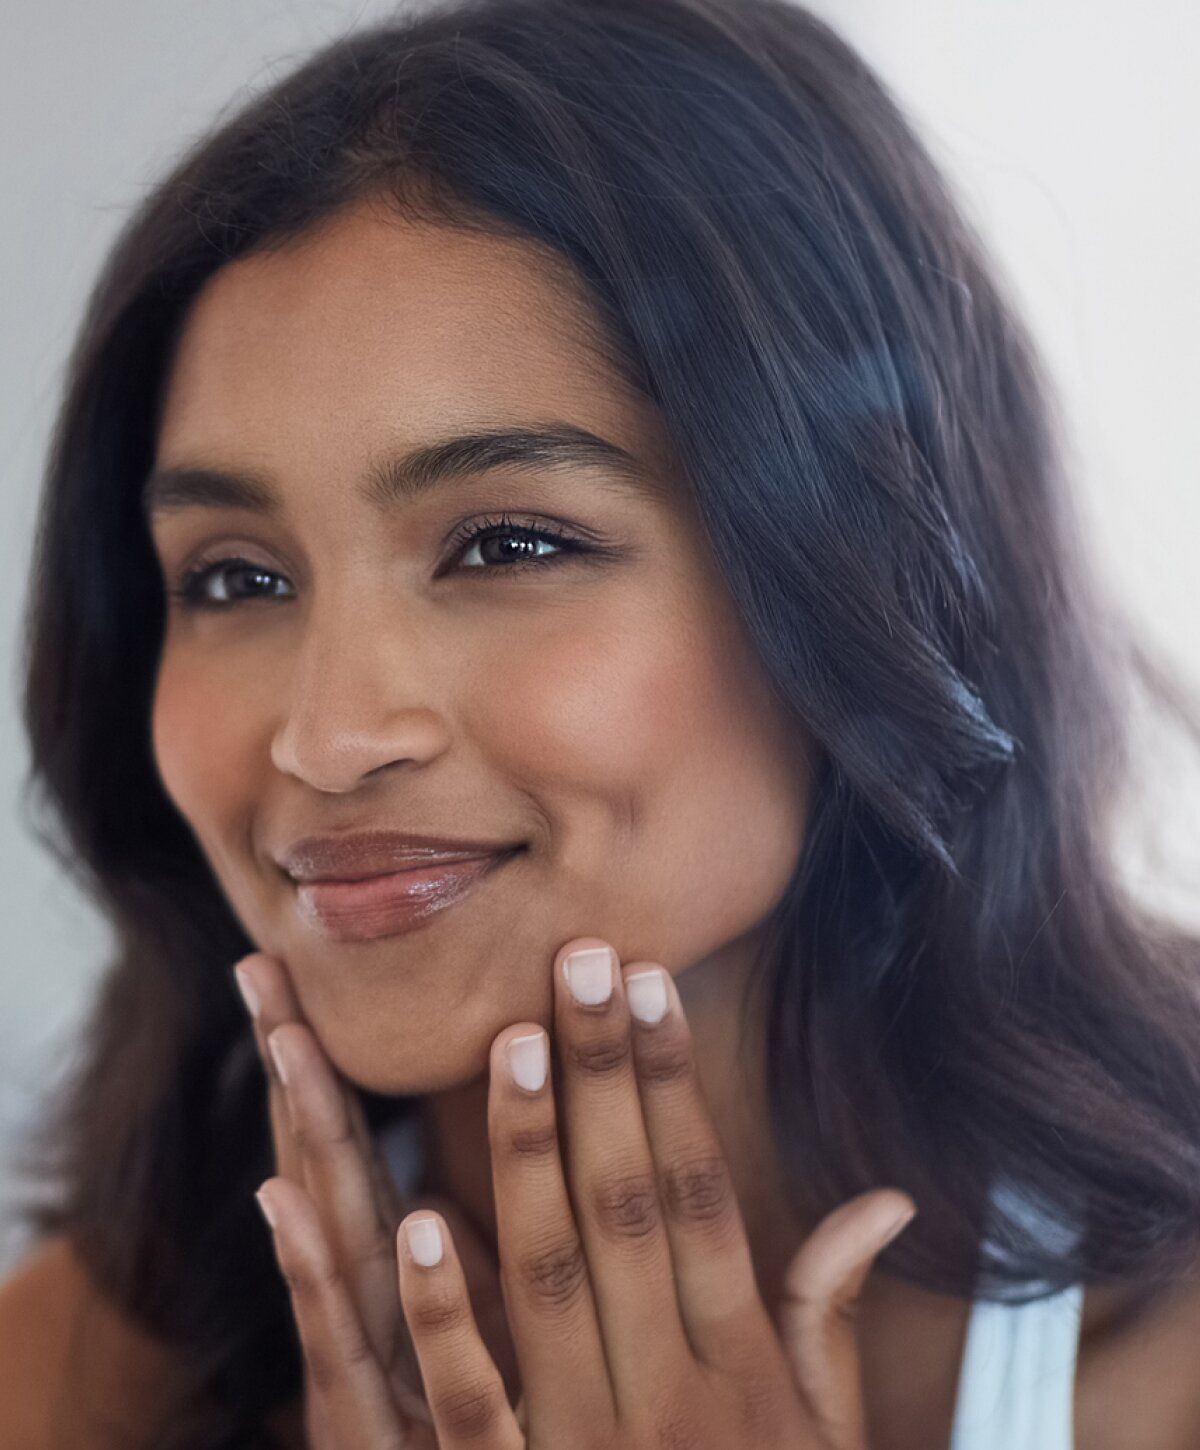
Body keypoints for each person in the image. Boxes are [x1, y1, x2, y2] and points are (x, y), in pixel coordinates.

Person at [3, 0, 1199, 1444]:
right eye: (238, 576)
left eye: (506, 545)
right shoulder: (70, 1377)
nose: (326, 735)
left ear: (861, 569)